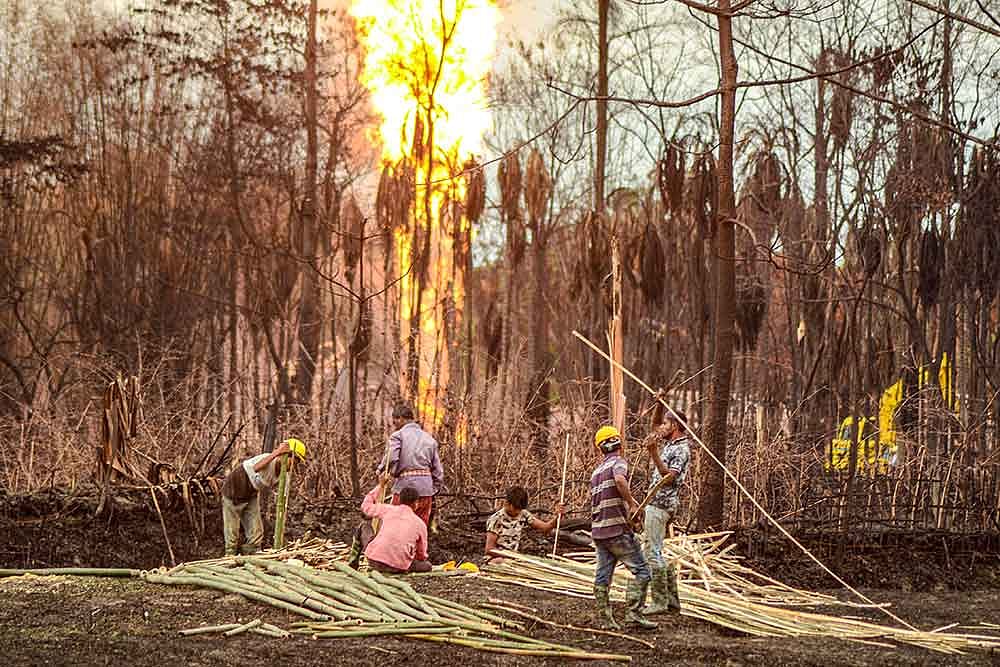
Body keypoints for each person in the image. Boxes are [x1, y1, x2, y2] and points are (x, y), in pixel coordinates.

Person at [589, 425, 657, 631]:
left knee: (603, 576)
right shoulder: (619, 463)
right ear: (619, 442)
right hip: (617, 532)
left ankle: (605, 619)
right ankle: (634, 614)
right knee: (643, 571)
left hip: (599, 532)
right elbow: (619, 480)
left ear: (600, 448)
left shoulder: (596, 472)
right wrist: (632, 504)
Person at [220, 438, 307, 556]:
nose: (294, 466)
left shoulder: (284, 476)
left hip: (251, 494)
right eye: (294, 461)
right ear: (285, 455)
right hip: (234, 489)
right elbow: (255, 468)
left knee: (256, 532)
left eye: (296, 463)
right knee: (232, 531)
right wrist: (277, 452)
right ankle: (229, 556)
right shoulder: (268, 458)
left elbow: (283, 498)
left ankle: (251, 556)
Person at [642, 410, 691, 615]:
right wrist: (659, 403)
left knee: (652, 553)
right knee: (657, 551)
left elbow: (669, 478)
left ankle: (659, 602)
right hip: (657, 503)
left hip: (661, 505)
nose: (661, 427)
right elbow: (654, 425)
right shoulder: (671, 443)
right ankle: (672, 602)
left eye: (666, 423)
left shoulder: (681, 449)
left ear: (675, 426)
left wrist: (653, 453)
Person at [377, 403, 443, 527]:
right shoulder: (430, 439)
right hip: (425, 491)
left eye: (395, 420)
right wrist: (432, 489)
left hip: (404, 490)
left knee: (396, 525)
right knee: (420, 527)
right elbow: (438, 472)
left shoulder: (398, 436)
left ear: (401, 418)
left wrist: (381, 470)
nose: (394, 425)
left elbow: (391, 457)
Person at [360, 472, 432, 573]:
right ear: (416, 503)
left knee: (364, 526)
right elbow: (422, 554)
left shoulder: (388, 510)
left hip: (374, 560)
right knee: (427, 566)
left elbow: (366, 506)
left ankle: (353, 562)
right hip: (398, 566)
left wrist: (380, 486)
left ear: (400, 500)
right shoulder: (420, 524)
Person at [483, 486, 566, 559]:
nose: (517, 512)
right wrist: (510, 556)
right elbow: (489, 549)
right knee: (500, 562)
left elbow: (545, 528)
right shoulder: (496, 519)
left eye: (520, 509)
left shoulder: (523, 514)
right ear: (507, 503)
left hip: (513, 558)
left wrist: (557, 517)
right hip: (495, 558)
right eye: (515, 509)